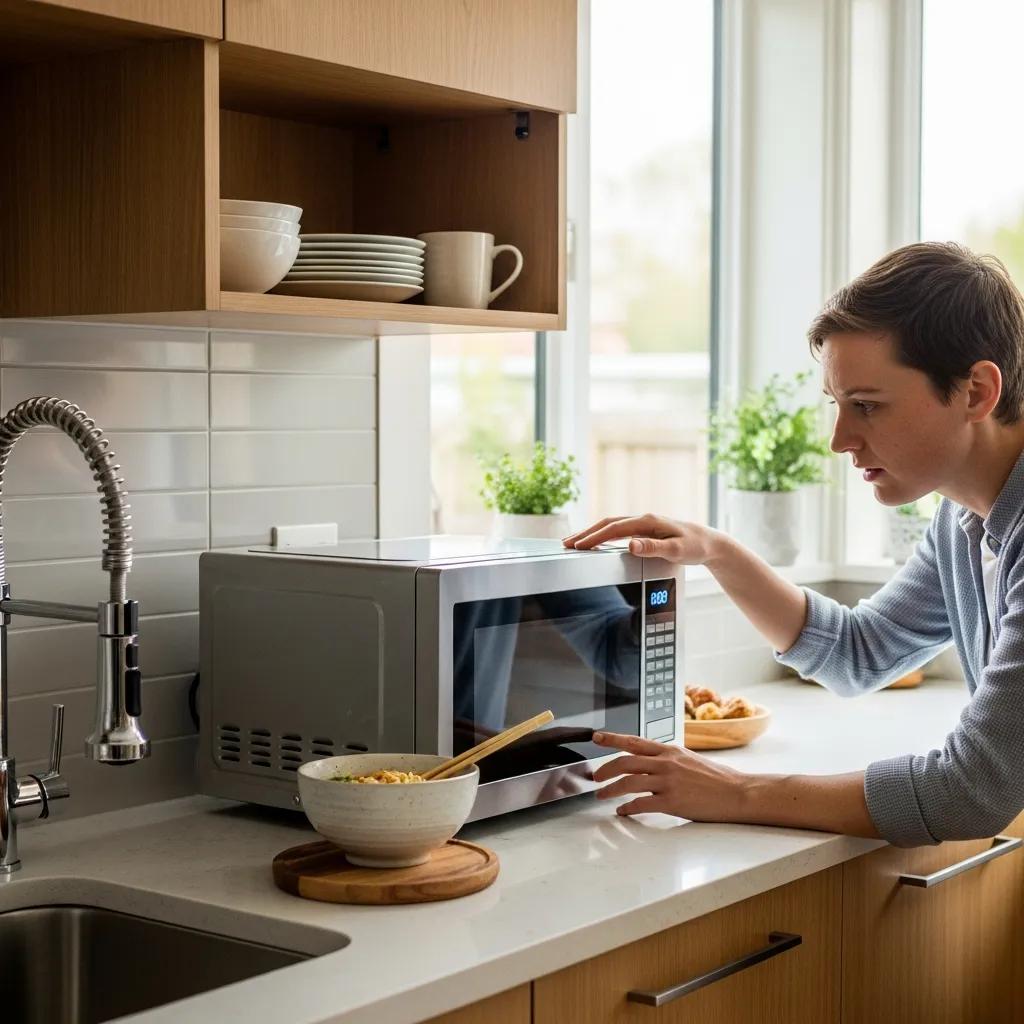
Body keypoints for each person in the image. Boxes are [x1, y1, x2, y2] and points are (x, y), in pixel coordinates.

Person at [564, 241, 1024, 848]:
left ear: (976, 391)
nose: (840, 439)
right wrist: (718, 552)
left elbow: (971, 792)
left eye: (867, 406)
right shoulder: (961, 523)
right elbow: (860, 653)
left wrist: (735, 792)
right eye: (837, 405)